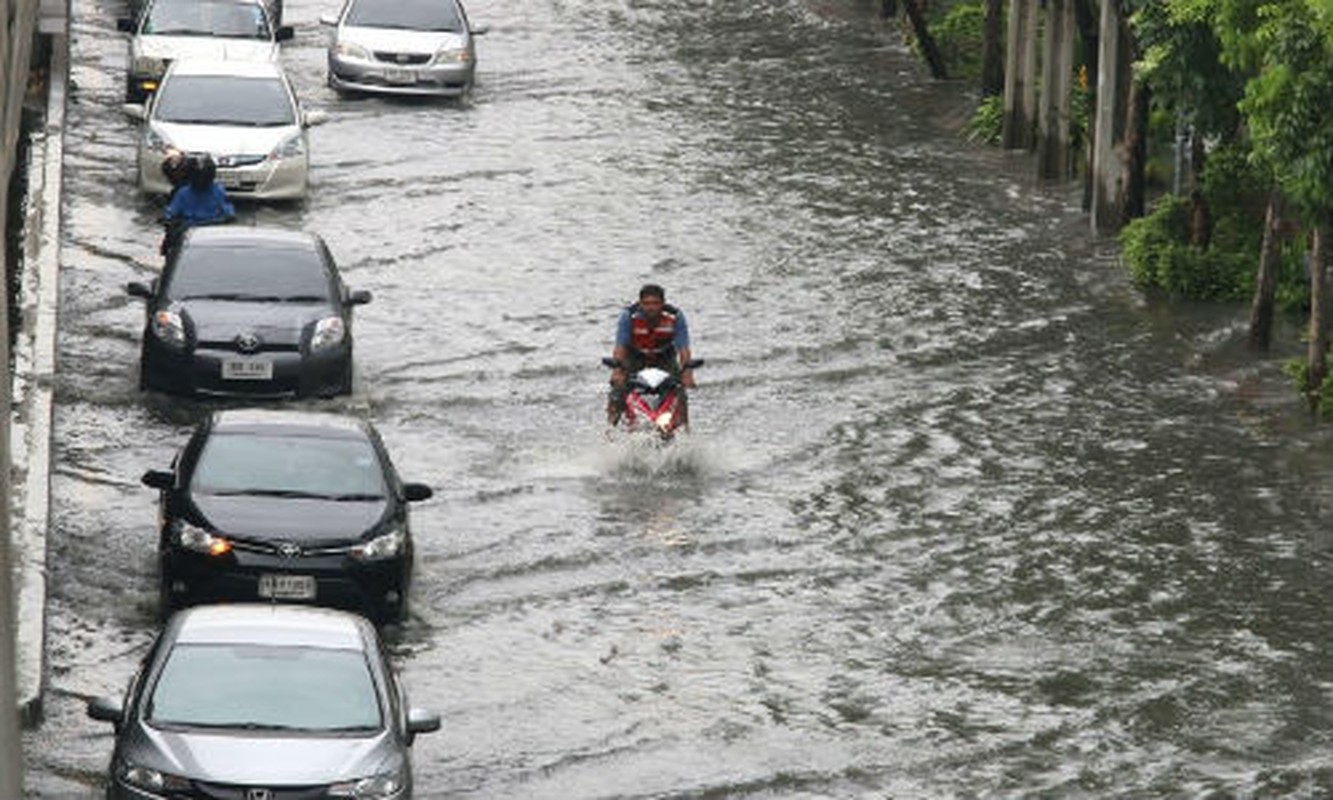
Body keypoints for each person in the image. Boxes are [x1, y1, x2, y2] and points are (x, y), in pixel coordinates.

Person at [607, 283, 695, 426]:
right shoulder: (629, 316)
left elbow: (683, 348)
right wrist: (617, 371)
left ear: (663, 304)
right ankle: (610, 428)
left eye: (655, 303)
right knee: (617, 391)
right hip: (635, 357)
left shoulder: (675, 317)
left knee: (679, 392)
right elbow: (620, 346)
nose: (651, 308)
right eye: (647, 303)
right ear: (640, 303)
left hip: (664, 358)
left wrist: (687, 373)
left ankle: (684, 428)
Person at [161, 153, 235, 256]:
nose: (201, 181)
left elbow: (229, 214)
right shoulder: (183, 193)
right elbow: (170, 214)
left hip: (211, 236)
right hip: (188, 237)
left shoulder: (218, 191)